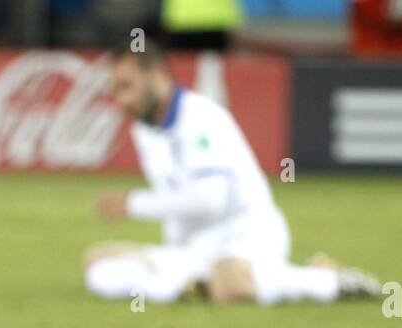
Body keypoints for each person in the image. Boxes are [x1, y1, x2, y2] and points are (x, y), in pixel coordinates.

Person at [84, 42, 380, 307]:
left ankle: (326, 281)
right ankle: (189, 285)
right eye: (116, 90)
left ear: (158, 76)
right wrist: (176, 253)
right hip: (197, 248)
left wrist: (133, 204)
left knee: (232, 287)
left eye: (127, 86)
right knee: (98, 267)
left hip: (246, 235)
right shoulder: (144, 129)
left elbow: (211, 201)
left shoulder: (200, 118)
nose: (120, 100)